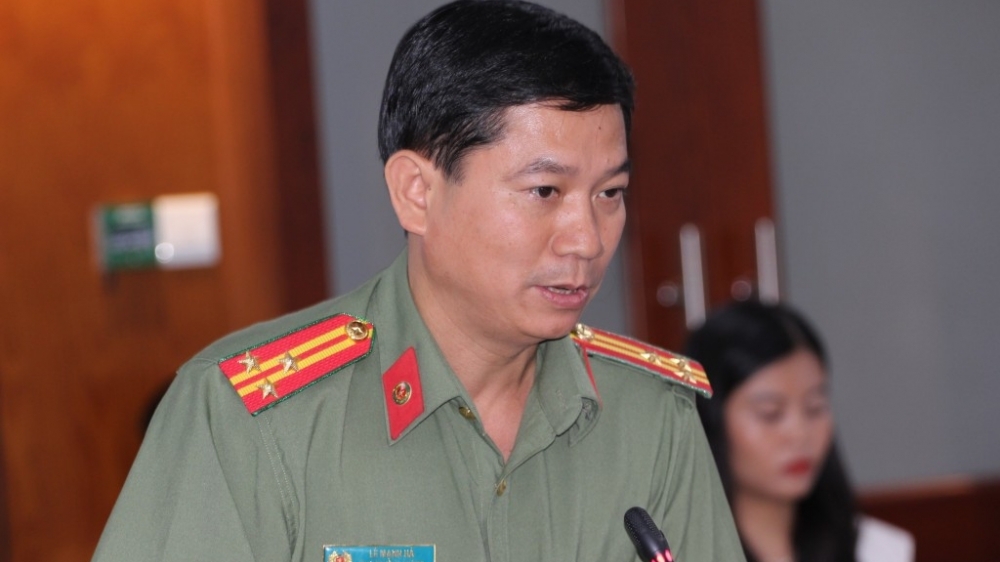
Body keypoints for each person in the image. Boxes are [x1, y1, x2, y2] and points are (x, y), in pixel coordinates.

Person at [92, 1, 745, 561]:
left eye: (610, 193)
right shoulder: (251, 419)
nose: (588, 239)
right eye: (545, 191)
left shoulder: (652, 417)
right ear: (417, 192)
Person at [684, 300, 914, 562]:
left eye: (815, 408)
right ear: (709, 418)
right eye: (770, 413)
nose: (800, 434)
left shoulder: (878, 551)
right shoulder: (677, 552)